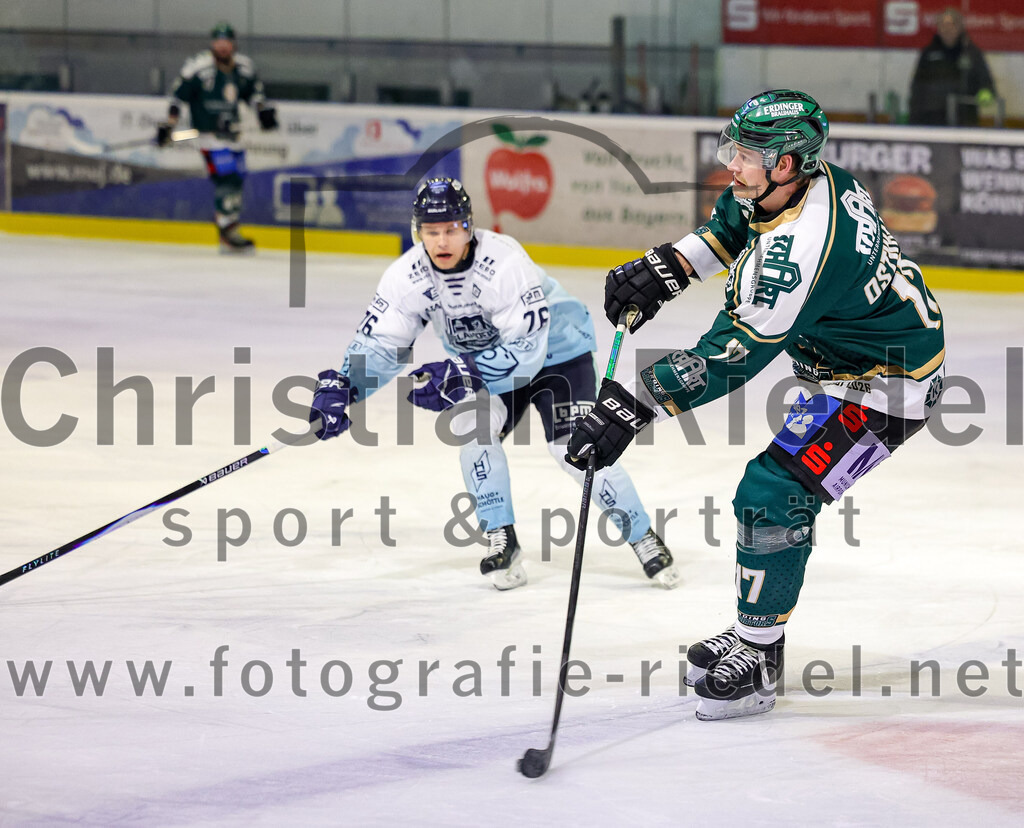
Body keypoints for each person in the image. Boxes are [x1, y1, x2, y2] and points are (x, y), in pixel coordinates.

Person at [566, 90, 945, 720]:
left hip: (885, 388)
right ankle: (757, 637)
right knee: (771, 491)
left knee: (773, 493)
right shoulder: (794, 187)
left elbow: (732, 355)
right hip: (843, 367)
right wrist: (666, 268)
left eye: (746, 154)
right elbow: (729, 229)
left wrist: (630, 406)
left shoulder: (803, 250)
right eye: (734, 148)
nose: (731, 165)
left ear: (788, 164)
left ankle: (759, 661)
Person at [307, 177, 680, 591]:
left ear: (469, 226)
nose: (442, 240)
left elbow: (528, 351)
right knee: (473, 429)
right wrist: (345, 386)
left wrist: (463, 373)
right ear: (418, 233)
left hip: (557, 355)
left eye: (452, 229)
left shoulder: (503, 261)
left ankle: (642, 535)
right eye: (432, 232)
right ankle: (501, 536)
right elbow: (381, 343)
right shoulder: (406, 276)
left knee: (574, 448)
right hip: (485, 364)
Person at [157, 22, 278, 252]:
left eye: (227, 42)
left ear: (233, 44)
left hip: (233, 135)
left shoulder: (243, 67)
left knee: (237, 180)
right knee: (227, 178)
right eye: (218, 42)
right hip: (209, 137)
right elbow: (178, 97)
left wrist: (263, 111)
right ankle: (226, 230)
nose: (222, 46)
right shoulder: (198, 67)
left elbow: (255, 94)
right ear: (213, 44)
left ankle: (230, 227)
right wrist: (169, 124)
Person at [908, 8, 996, 126]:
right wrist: (914, 119)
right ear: (938, 28)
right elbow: (917, 87)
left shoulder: (972, 53)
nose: (947, 29)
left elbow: (986, 82)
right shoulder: (928, 53)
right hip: (931, 121)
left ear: (960, 27)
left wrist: (986, 93)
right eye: (943, 25)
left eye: (951, 25)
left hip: (965, 120)